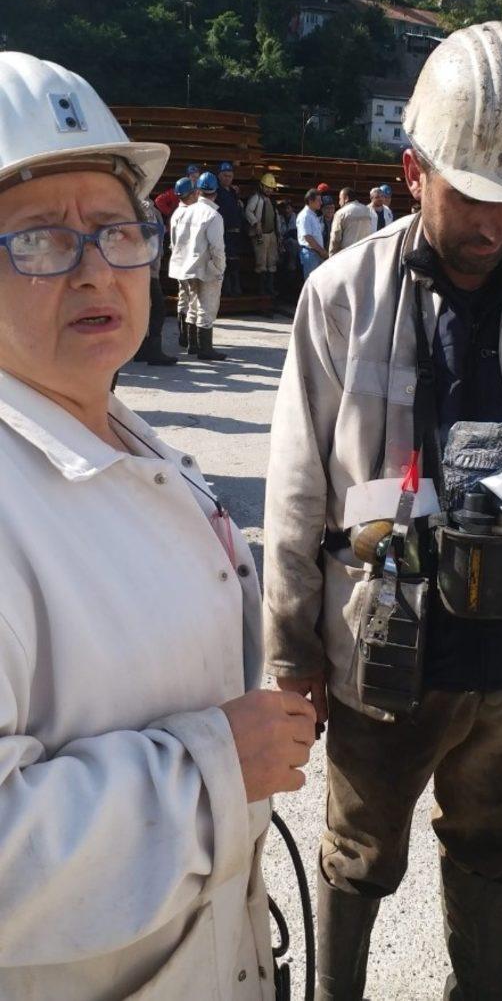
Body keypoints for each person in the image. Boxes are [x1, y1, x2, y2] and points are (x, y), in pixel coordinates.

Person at [262, 21, 502, 1001]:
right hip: (389, 653)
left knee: (492, 847)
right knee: (357, 853)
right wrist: (289, 651)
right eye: (473, 191)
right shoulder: (344, 294)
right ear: (413, 166)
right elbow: (300, 480)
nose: (497, 220)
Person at [0, 50, 317, 1001]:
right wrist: (216, 769)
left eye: (114, 229)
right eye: (41, 240)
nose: (96, 269)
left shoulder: (125, 436)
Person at [169, 171, 227, 362]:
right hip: (206, 267)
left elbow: (176, 241)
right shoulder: (213, 216)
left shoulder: (185, 211)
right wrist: (219, 269)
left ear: (198, 191)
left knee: (191, 305)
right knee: (207, 307)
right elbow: (217, 248)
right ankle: (205, 349)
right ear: (215, 193)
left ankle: (192, 345)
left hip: (185, 267)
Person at [133, 196, 177, 367]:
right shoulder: (145, 207)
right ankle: (153, 350)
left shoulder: (139, 204)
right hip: (147, 268)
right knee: (157, 309)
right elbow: (149, 237)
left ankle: (142, 349)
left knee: (145, 308)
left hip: (144, 266)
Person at [170, 177, 198, 348]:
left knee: (183, 298)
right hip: (189, 262)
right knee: (193, 300)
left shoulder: (176, 214)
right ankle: (191, 339)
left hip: (178, 261)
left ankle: (183, 336)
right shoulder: (190, 214)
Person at [245, 173, 280, 297]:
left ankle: (270, 288)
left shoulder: (272, 200)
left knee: (272, 261)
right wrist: (255, 223)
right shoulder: (256, 198)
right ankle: (262, 289)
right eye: (267, 187)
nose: (269, 190)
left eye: (270, 188)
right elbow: (248, 211)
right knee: (261, 262)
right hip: (260, 235)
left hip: (271, 234)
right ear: (262, 186)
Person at [216, 161, 244, 297]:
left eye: (230, 176)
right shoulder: (216, 192)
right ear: (219, 176)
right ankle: (226, 288)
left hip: (236, 231)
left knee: (235, 260)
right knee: (224, 260)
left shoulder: (233, 192)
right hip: (223, 232)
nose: (227, 178)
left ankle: (235, 287)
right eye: (225, 175)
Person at [328, 188, 374, 256]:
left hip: (347, 255)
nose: (339, 202)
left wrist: (331, 255)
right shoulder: (368, 211)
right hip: (364, 254)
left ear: (346, 198)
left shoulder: (340, 213)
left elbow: (335, 238)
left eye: (340, 199)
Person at [296, 188, 327, 280]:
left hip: (315, 253)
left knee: (316, 282)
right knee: (311, 282)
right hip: (310, 253)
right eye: (318, 200)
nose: (321, 203)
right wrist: (322, 251)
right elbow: (308, 238)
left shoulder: (312, 215)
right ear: (310, 201)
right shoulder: (305, 216)